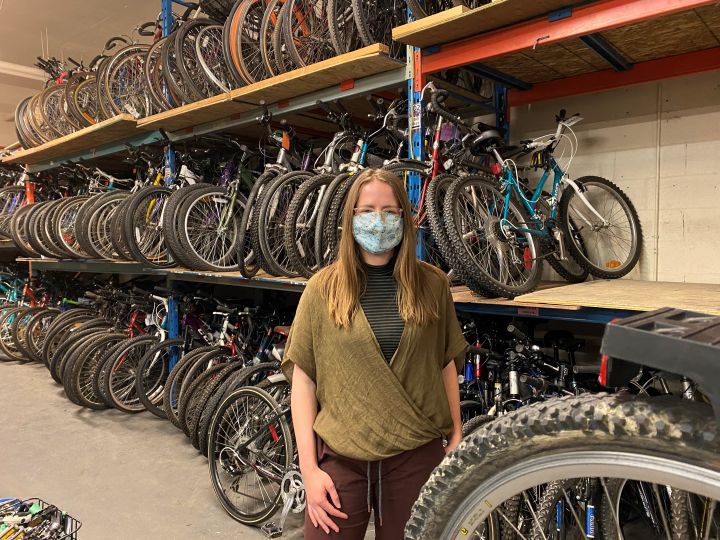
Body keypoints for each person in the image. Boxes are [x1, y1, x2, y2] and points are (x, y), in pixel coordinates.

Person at [281, 168, 468, 539]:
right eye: (367, 211)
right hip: (341, 457)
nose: (378, 220)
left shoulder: (432, 284)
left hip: (416, 454)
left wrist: (457, 434)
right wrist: (309, 469)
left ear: (404, 217)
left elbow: (445, 362)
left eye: (389, 211)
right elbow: (303, 380)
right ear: (351, 217)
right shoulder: (322, 289)